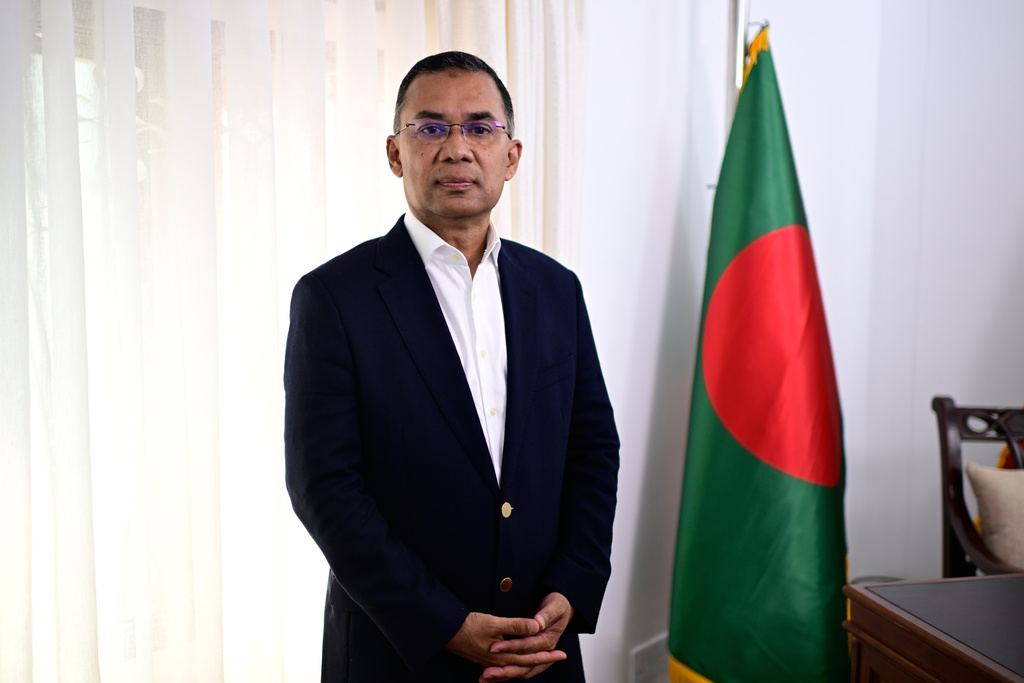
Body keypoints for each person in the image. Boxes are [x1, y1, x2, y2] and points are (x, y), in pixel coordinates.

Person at [284, 51, 619, 683]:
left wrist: (573, 585)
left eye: (480, 128)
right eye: (431, 127)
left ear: (510, 157)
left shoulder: (556, 289)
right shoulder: (334, 297)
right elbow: (324, 487)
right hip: (400, 650)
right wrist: (445, 625)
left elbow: (593, 448)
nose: (457, 148)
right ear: (395, 153)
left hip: (541, 643)